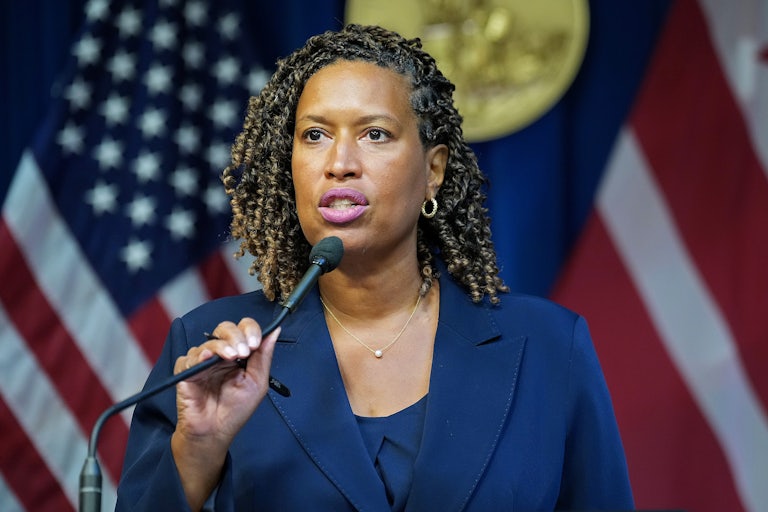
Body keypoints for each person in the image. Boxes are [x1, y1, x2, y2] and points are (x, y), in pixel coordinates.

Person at [116, 24, 633, 512]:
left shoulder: (548, 347)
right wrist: (197, 450)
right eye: (315, 135)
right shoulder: (210, 351)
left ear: (433, 171)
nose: (340, 161)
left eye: (376, 134)